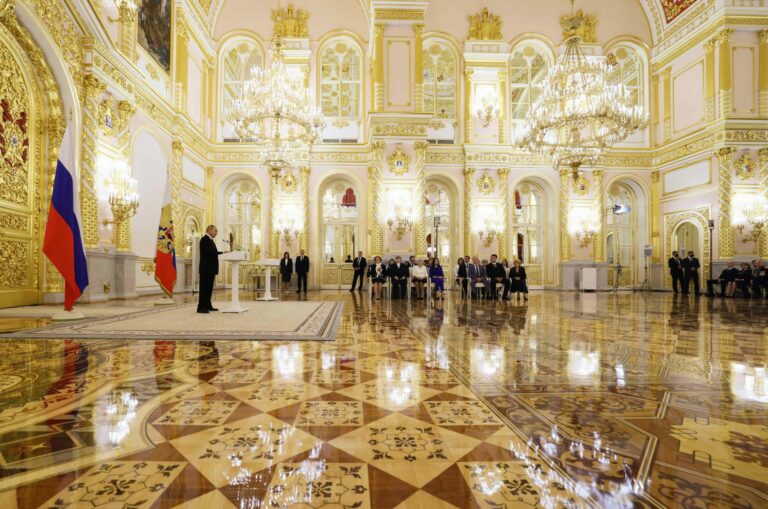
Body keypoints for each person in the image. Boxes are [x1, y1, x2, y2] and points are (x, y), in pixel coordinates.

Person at [198, 225, 222, 313]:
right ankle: (201, 307)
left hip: (210, 269)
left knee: (209, 288)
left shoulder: (210, 240)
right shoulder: (204, 239)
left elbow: (213, 252)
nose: (216, 233)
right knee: (204, 288)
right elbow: (208, 252)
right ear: (210, 230)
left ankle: (208, 305)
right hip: (206, 268)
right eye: (215, 231)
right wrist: (221, 253)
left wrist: (222, 253)